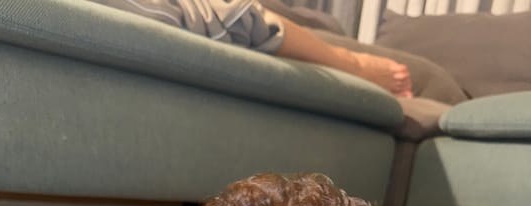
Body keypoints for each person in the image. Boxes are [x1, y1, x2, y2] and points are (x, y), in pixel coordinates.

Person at [90, 0, 413, 97]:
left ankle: (353, 61)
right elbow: (245, 21)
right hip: (240, 22)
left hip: (256, 22)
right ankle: (354, 63)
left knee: (421, 74)